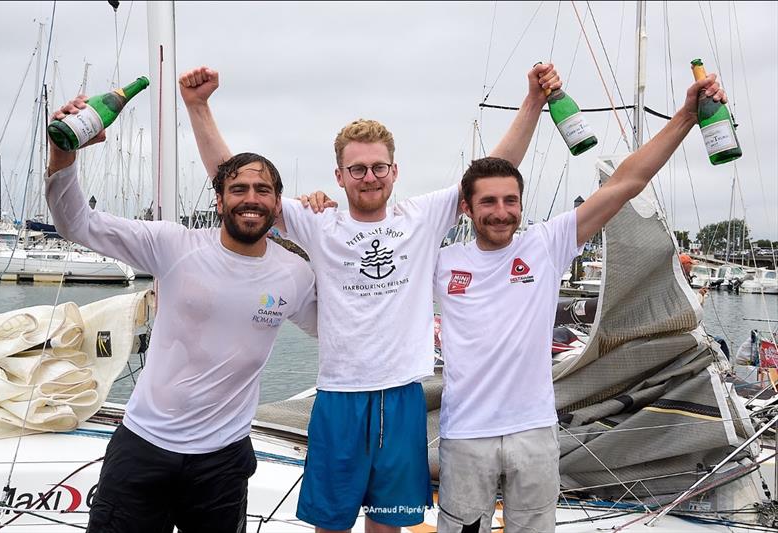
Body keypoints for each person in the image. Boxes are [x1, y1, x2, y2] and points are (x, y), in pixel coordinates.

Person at [180, 63, 561, 532]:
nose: (369, 177)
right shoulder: (318, 222)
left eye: (378, 167)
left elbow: (497, 167)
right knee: (332, 524)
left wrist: (533, 103)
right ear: (339, 176)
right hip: (339, 395)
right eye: (356, 169)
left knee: (389, 525)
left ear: (394, 170)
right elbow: (240, 187)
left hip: (402, 395)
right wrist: (199, 108)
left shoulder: (421, 219)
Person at [432, 74, 728, 532]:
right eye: (487, 201)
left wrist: (687, 116)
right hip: (466, 436)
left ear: (522, 204)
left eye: (511, 200)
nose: (501, 210)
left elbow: (628, 182)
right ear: (466, 209)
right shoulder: (443, 262)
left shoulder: (545, 245)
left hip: (533, 431)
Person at [46, 97, 318, 533]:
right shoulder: (174, 245)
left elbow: (337, 326)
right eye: (239, 189)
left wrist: (328, 229)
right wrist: (64, 151)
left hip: (223, 461)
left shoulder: (295, 273)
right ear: (219, 199)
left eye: (263, 190)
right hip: (144, 446)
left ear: (278, 202)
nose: (251, 199)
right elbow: (76, 223)